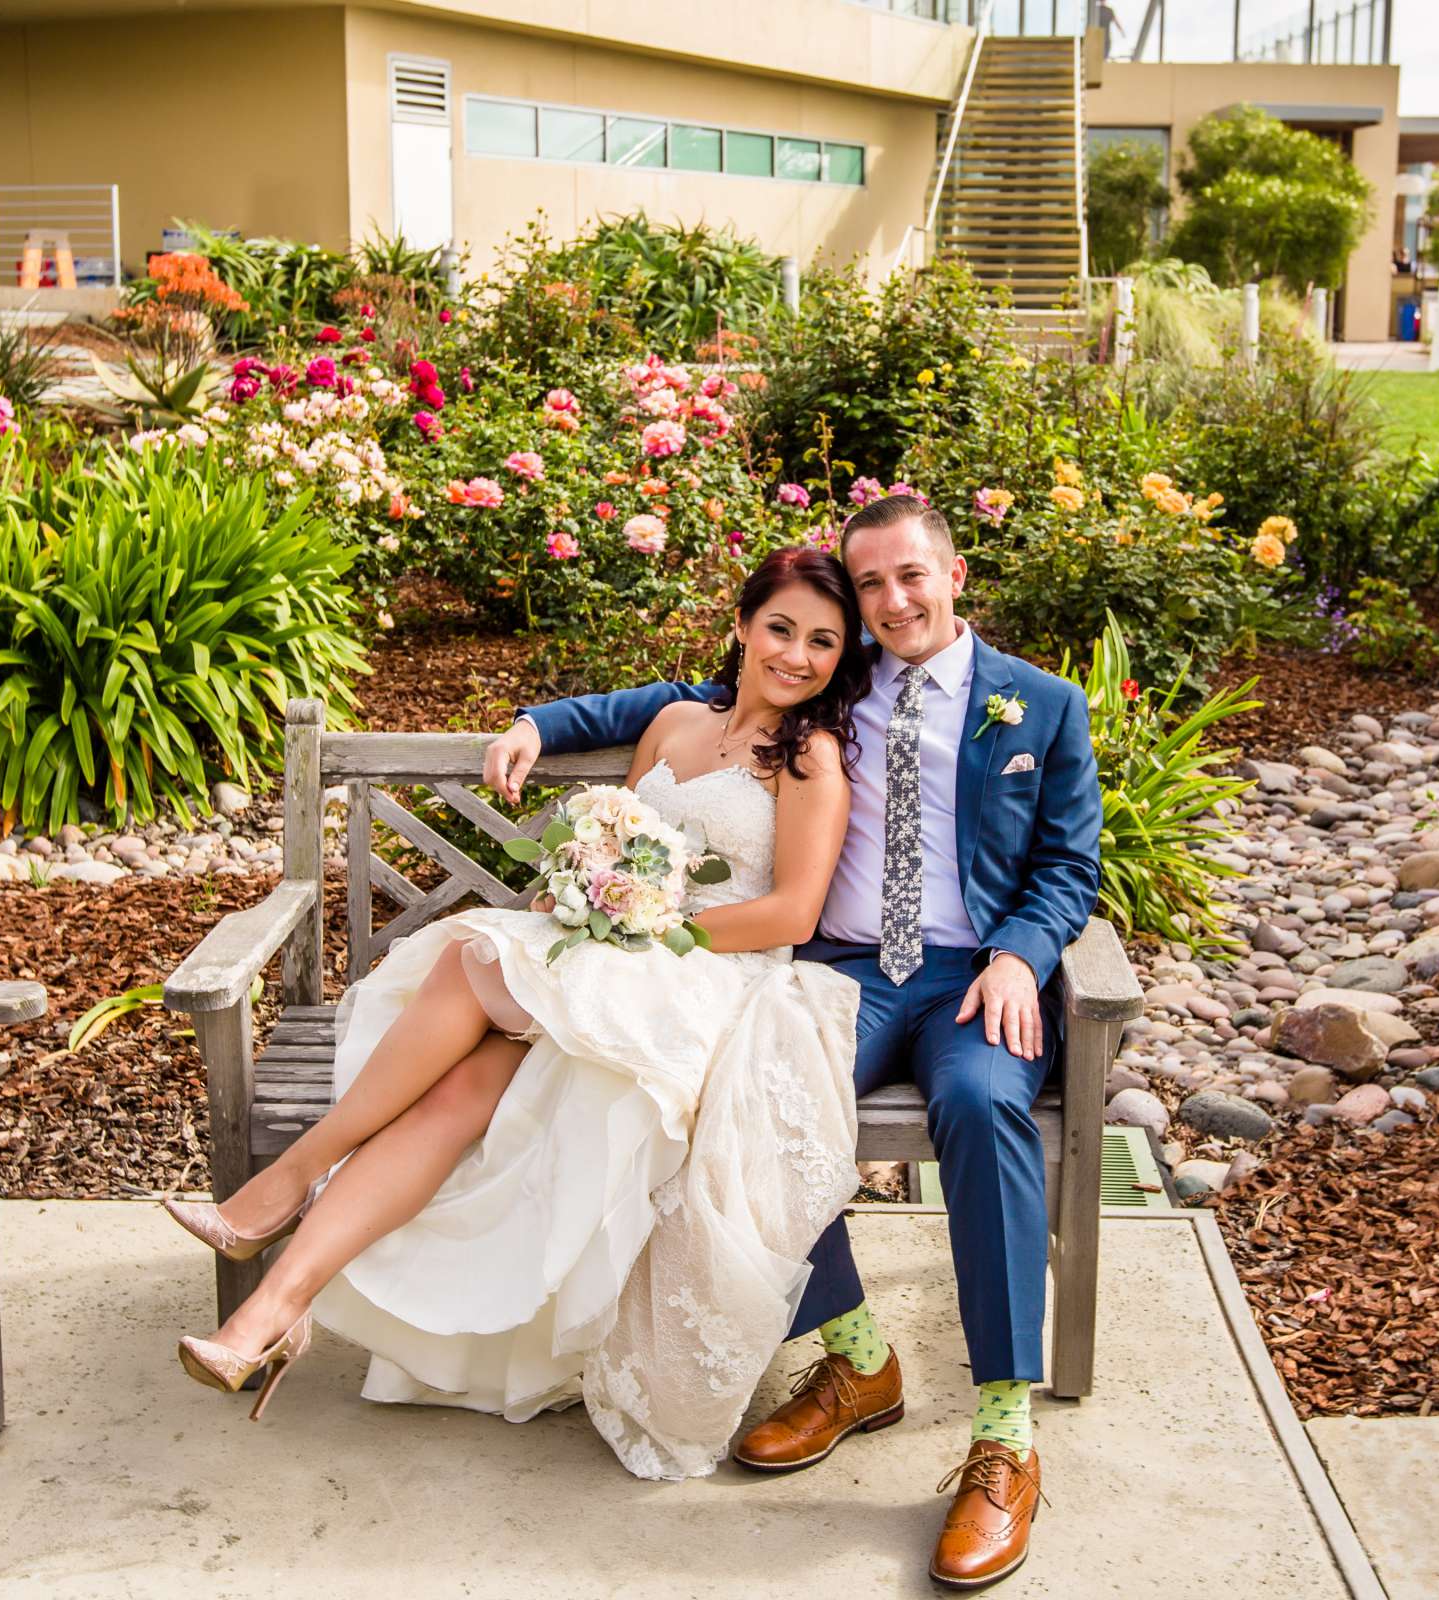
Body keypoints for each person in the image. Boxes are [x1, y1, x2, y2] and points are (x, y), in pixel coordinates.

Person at [485, 495, 1100, 1588]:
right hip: (844, 970)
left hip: (972, 979)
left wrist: (1022, 952)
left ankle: (1004, 1435)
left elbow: (1067, 864)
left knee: (983, 1106)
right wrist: (548, 718)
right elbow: (683, 700)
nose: (892, 601)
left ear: (954, 574)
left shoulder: (1040, 706)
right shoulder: (842, 684)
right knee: (739, 1089)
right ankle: (860, 1360)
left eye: (910, 576)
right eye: (869, 587)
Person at [167, 545, 874, 1481]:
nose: (797, 655)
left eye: (823, 642)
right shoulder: (671, 722)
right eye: (781, 628)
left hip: (707, 975)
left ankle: (293, 1179)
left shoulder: (811, 757)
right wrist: (591, 884)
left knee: (469, 959)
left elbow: (792, 911)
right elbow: (621, 839)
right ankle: (265, 1317)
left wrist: (661, 930)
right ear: (741, 626)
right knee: (459, 1092)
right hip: (617, 953)